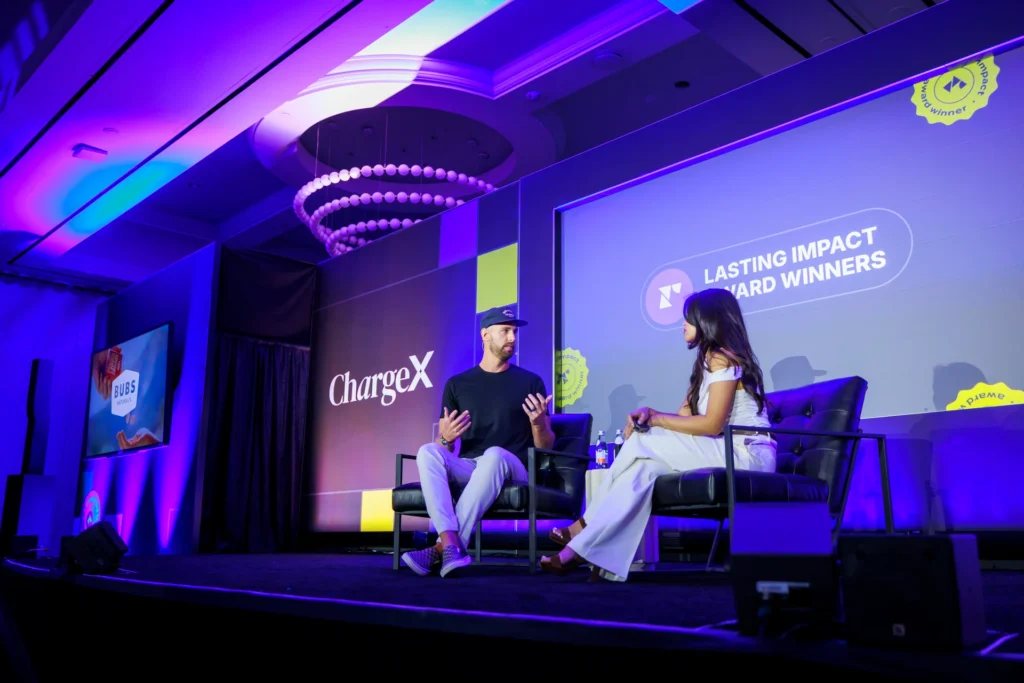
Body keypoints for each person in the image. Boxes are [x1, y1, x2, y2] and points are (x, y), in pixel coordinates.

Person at [541, 288, 776, 582]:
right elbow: (686, 418)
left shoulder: (723, 358)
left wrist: (655, 422)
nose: (683, 326)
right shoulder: (705, 363)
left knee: (641, 441)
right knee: (642, 469)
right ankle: (588, 557)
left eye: (688, 320)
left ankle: (582, 526)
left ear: (707, 322)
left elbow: (712, 424)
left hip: (746, 455)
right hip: (722, 449)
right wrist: (651, 417)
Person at [401, 306, 555, 578]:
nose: (512, 338)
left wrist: (538, 422)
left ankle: (441, 547)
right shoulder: (457, 385)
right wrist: (445, 439)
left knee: (495, 454)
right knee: (428, 451)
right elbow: (447, 445)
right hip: (472, 465)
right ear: (485, 335)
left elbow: (546, 447)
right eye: (505, 331)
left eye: (515, 332)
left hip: (514, 467)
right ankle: (450, 545)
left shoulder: (531, 382)